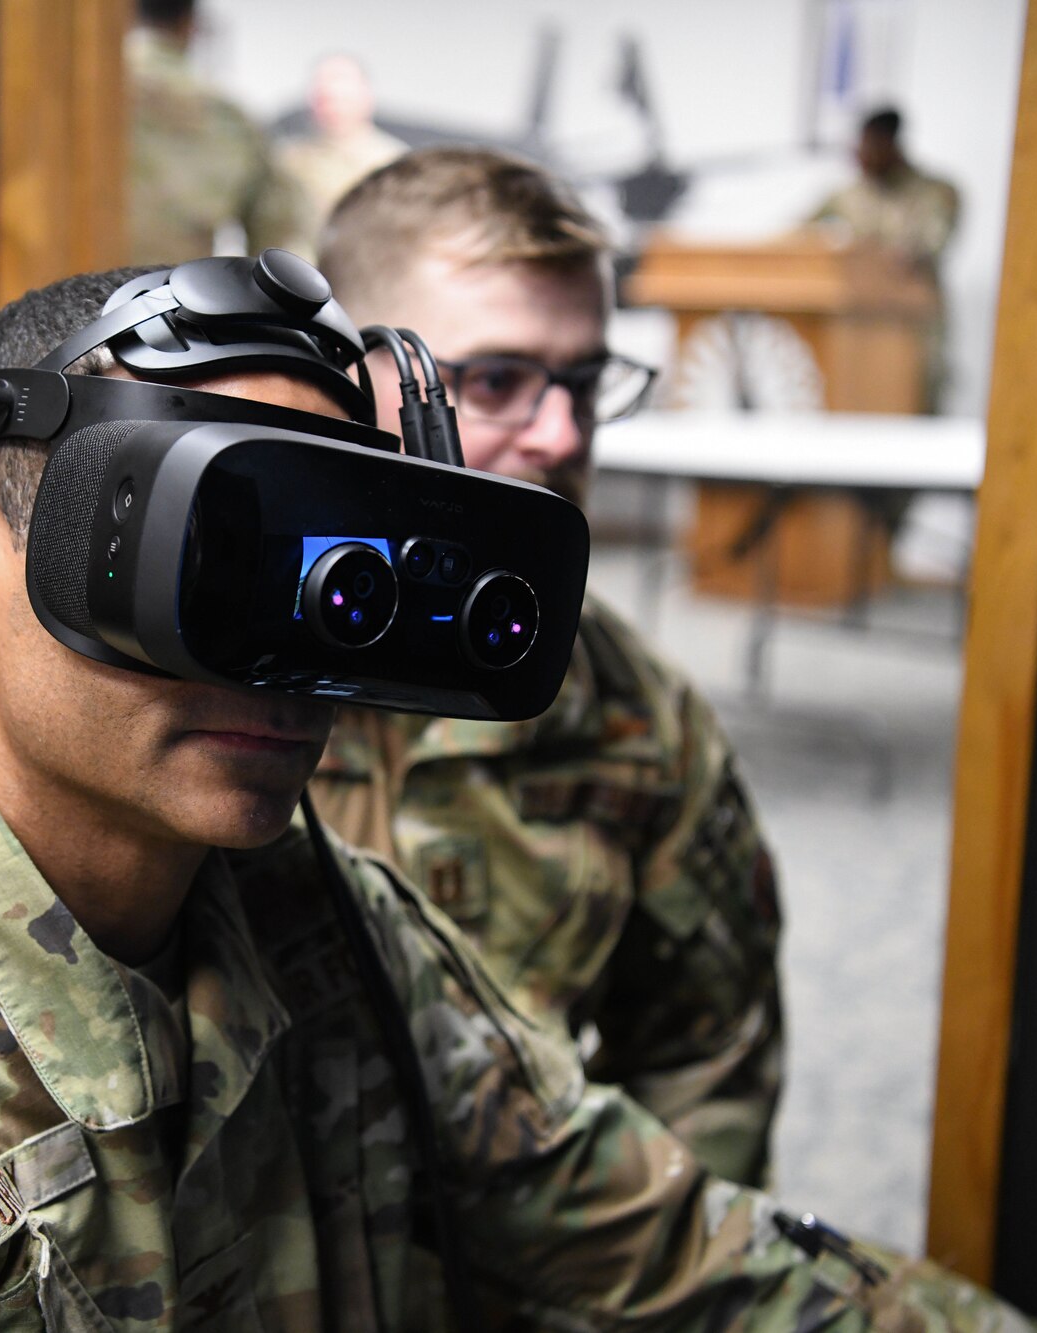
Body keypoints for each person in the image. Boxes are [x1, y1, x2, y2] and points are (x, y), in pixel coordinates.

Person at [0, 264, 1036, 1330]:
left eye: (324, 578)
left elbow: (674, 1255)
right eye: (210, 549)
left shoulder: (318, 918)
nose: (280, 659)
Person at [309, 145, 785, 1187]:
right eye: (493, 381)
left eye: (580, 380)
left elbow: (706, 1053)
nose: (562, 433)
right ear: (343, 377)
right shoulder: (205, 661)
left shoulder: (628, 709)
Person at [126, 0, 308, 265]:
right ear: (189, 25)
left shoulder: (68, 107)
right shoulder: (228, 118)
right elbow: (282, 240)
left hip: (59, 297)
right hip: (168, 298)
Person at [809, 107, 961, 411]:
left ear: (892, 144)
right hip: (855, 333)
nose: (862, 154)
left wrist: (891, 258)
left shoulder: (936, 193)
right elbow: (798, 234)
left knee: (919, 409)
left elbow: (931, 245)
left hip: (915, 330)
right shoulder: (847, 196)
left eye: (871, 145)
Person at [273, 54, 407, 257]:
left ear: (366, 97)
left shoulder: (393, 162)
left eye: (342, 98)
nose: (332, 107)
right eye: (323, 99)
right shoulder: (289, 159)